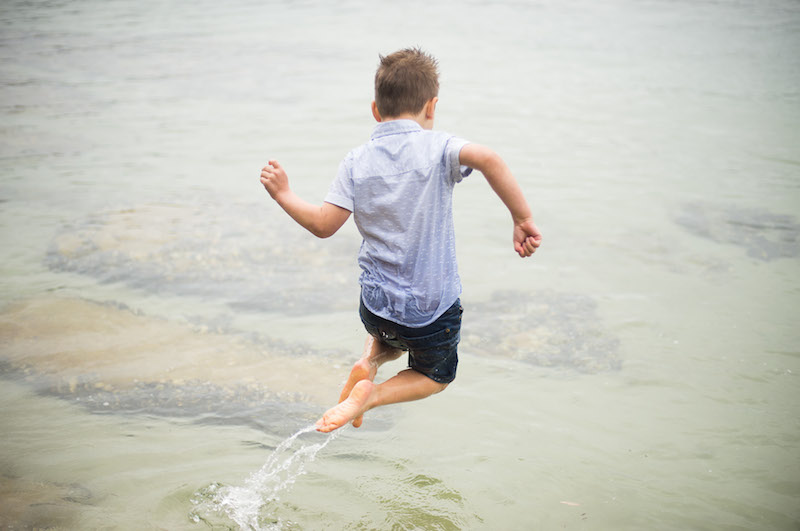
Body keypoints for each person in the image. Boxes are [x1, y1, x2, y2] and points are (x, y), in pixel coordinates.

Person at [259, 48, 542, 433]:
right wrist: (522, 218)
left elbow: (324, 225)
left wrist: (284, 194)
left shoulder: (356, 161)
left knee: (391, 333)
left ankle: (369, 361)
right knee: (435, 374)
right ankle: (371, 395)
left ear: (376, 110)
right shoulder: (440, 148)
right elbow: (489, 158)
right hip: (429, 312)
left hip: (375, 308)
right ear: (432, 107)